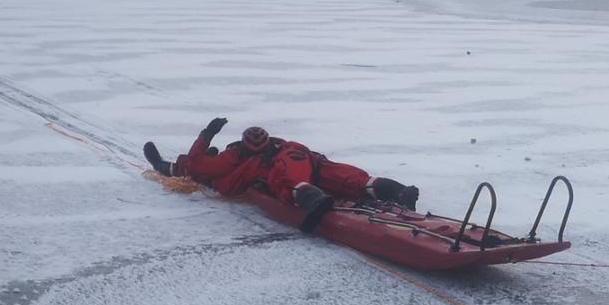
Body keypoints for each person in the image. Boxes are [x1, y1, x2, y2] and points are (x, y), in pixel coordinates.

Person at [143, 119, 419, 231]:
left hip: (282, 166)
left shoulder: (232, 157)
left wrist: (206, 134)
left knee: (286, 181)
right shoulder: (281, 144)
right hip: (303, 155)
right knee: (339, 174)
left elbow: (195, 165)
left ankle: (311, 198)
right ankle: (389, 189)